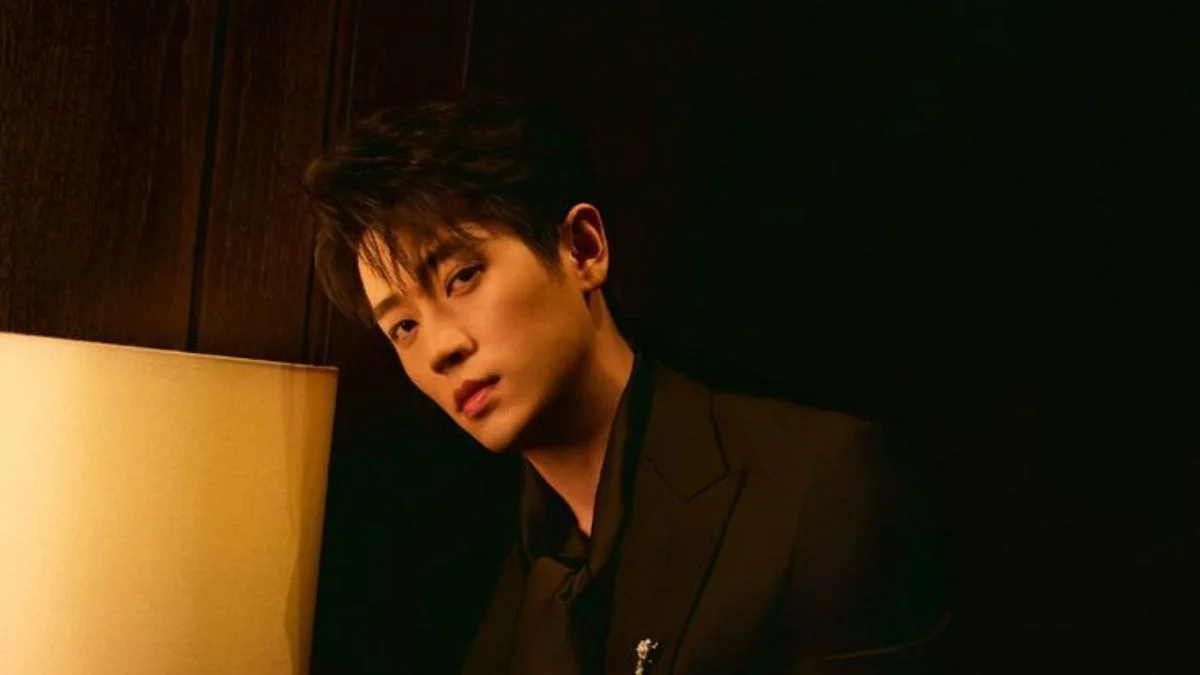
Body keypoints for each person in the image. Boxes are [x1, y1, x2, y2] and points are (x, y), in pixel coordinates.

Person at [303, 91, 950, 675]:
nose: (441, 348)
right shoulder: (454, 563)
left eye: (462, 277)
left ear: (583, 249)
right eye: (404, 326)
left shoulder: (825, 486)